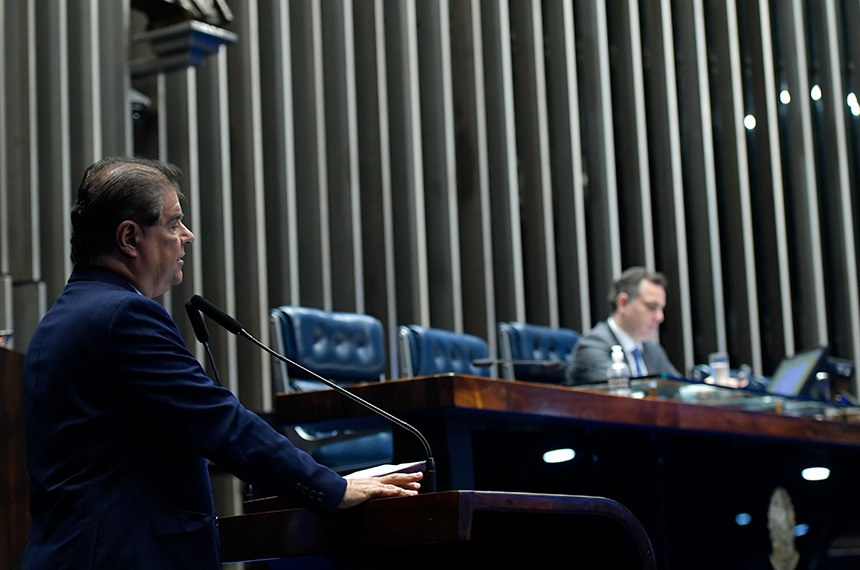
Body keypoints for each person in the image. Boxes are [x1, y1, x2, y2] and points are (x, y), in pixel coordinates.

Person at [21, 156, 422, 569]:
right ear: (129, 237)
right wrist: (331, 487)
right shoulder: (123, 317)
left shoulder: (58, 321)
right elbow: (218, 421)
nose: (188, 236)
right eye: (174, 223)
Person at [566, 266, 681, 385]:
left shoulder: (652, 350)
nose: (660, 317)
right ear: (623, 303)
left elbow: (680, 388)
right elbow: (619, 395)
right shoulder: (592, 347)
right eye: (652, 307)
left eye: (661, 308)